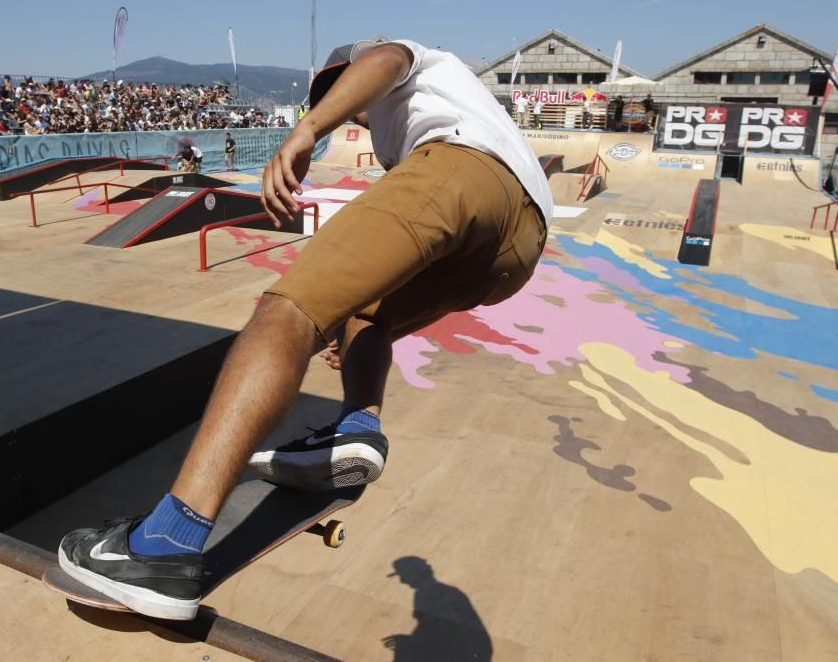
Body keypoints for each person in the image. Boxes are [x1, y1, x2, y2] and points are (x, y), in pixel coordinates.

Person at [56, 38, 552, 621]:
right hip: (522, 243)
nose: (356, 114)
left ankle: (165, 545)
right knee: (367, 312)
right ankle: (357, 425)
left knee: (286, 313)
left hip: (463, 169)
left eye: (339, 97)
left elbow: (386, 62)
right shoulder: (449, 112)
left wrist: (306, 130)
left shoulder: (406, 64)